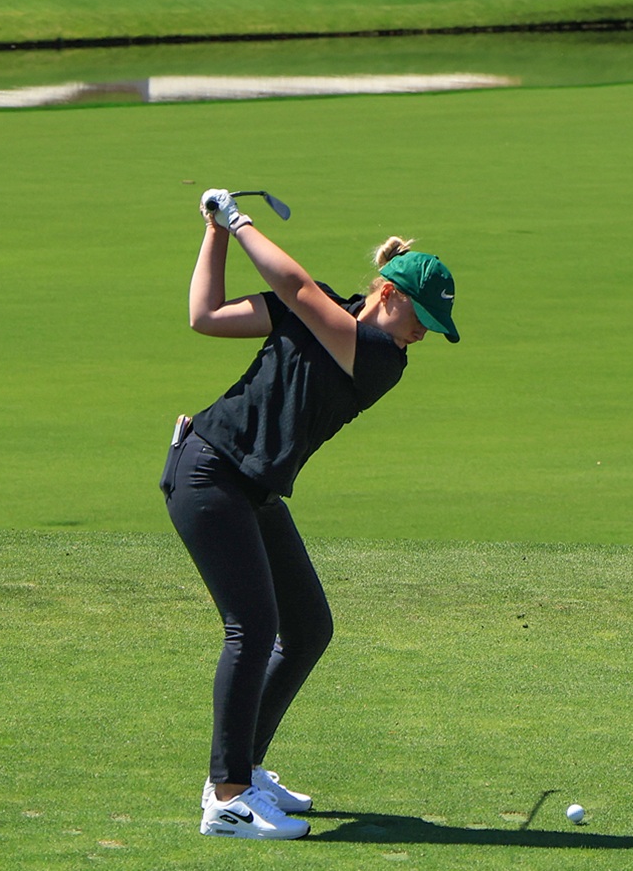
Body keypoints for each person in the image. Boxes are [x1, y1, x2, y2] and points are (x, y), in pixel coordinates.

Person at [164, 188, 459, 840]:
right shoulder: (327, 316)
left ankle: (244, 766)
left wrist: (239, 221)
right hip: (209, 471)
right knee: (253, 625)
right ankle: (228, 797)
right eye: (422, 318)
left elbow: (298, 290)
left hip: (249, 487)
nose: (422, 336)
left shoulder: (381, 358)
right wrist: (217, 230)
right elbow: (206, 315)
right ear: (391, 292)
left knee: (306, 628)